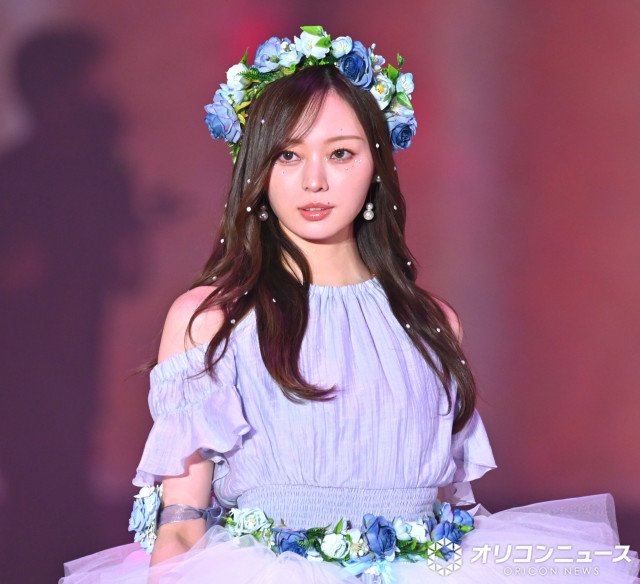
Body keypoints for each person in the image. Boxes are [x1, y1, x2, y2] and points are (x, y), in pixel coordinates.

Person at [60, 27, 640, 583]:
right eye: (288, 156)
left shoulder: (432, 324)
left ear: (376, 166)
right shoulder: (211, 319)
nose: (314, 180)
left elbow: (448, 510)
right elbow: (182, 527)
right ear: (256, 170)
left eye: (340, 153)